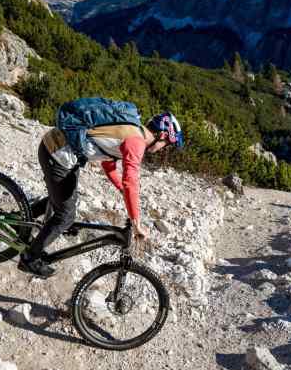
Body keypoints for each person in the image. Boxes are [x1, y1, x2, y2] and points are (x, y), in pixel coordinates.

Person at [19, 110, 183, 278]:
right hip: (56, 152)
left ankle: (20, 220)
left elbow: (108, 166)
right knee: (66, 216)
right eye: (167, 144)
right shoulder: (137, 142)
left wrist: (122, 190)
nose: (164, 149)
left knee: (66, 198)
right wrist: (136, 223)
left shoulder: (132, 131)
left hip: (62, 150)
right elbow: (131, 181)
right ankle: (29, 258)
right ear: (162, 135)